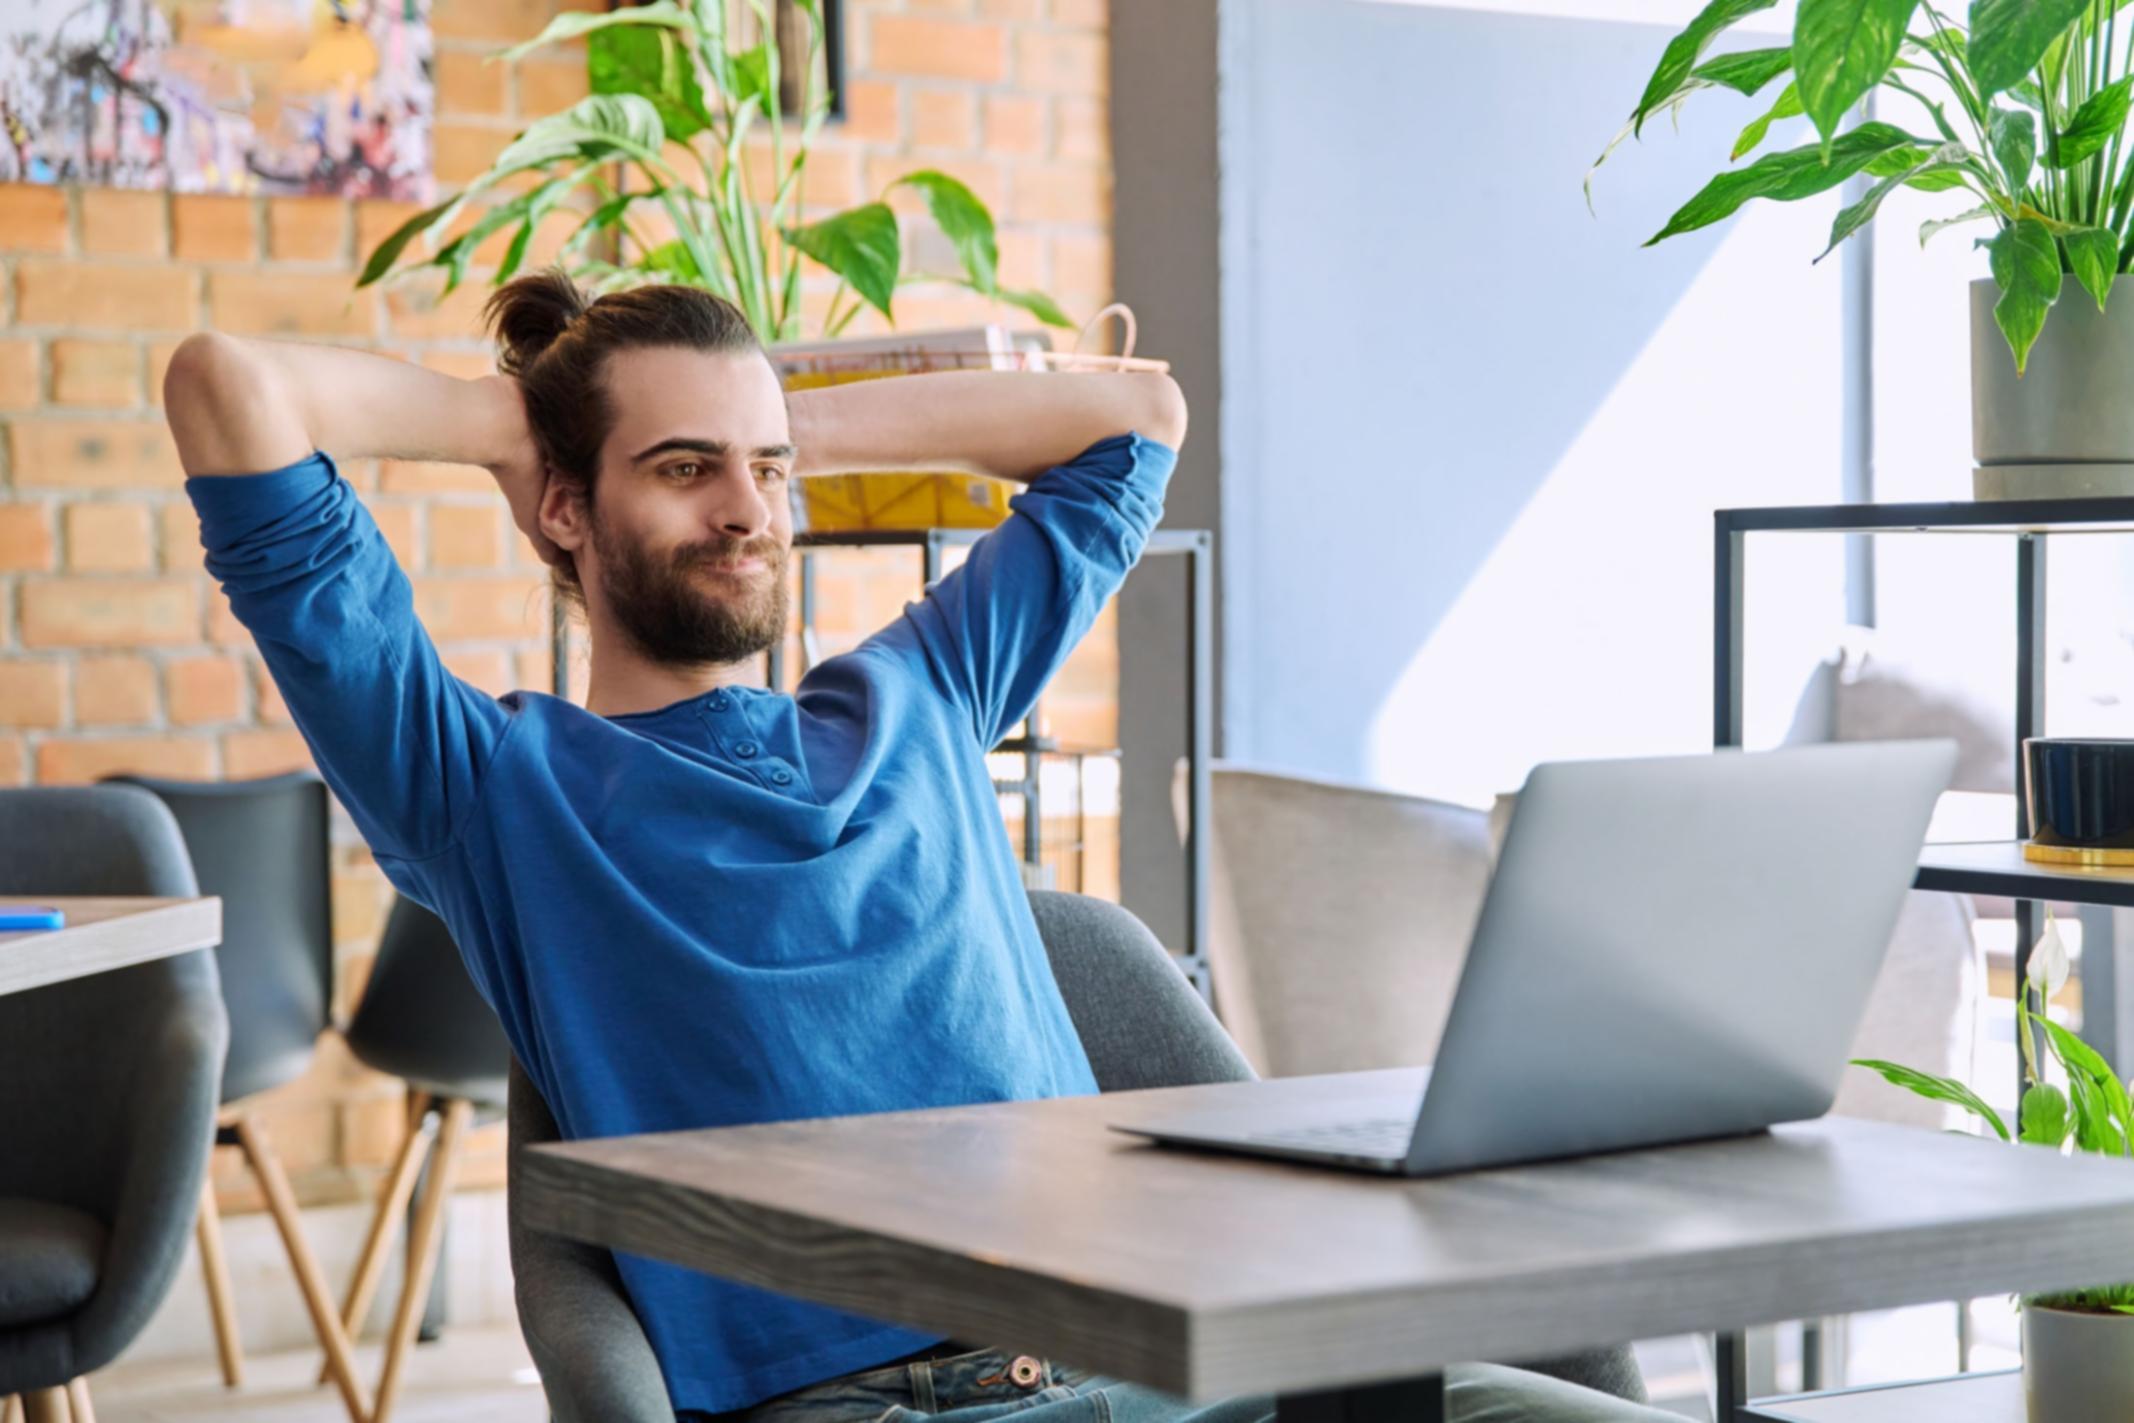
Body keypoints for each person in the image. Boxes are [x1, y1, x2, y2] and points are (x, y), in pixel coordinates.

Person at [163, 270, 1674, 1423]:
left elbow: (1135, 418)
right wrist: (516, 425)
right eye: (682, 471)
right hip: (878, 1409)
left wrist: (764, 422)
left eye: (767, 473)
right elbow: (227, 385)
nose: (747, 512)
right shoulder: (488, 787)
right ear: (564, 507)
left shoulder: (919, 694)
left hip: (1166, 1360)